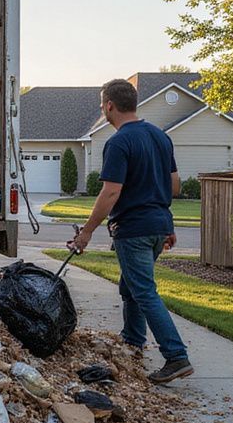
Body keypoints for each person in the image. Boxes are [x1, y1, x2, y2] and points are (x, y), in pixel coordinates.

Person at [68, 79, 193, 383]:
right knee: (133, 286)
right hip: (158, 226)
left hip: (134, 229)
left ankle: (176, 356)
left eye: (102, 104)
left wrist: (86, 232)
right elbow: (173, 186)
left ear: (109, 105)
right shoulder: (161, 138)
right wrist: (166, 224)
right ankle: (133, 340)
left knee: (144, 291)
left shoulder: (120, 142)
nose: (102, 108)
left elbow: (111, 192)